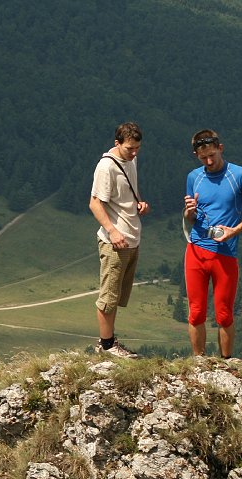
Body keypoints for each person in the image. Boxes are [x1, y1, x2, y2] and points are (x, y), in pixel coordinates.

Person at [182, 129, 242, 359]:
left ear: (220, 148)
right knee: (196, 312)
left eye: (212, 155)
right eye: (203, 158)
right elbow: (192, 217)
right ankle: (198, 363)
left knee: (224, 314)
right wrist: (190, 212)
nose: (209, 161)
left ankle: (226, 364)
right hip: (197, 251)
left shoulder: (240, 175)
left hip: (226, 253)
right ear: (196, 155)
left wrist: (235, 230)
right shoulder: (194, 177)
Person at [89, 121, 151, 357]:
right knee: (108, 295)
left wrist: (139, 204)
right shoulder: (106, 167)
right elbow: (95, 203)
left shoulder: (130, 160)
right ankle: (106, 345)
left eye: (137, 148)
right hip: (116, 241)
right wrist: (113, 231)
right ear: (117, 143)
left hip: (132, 237)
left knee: (117, 295)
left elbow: (123, 196)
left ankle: (108, 339)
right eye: (129, 149)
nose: (134, 153)